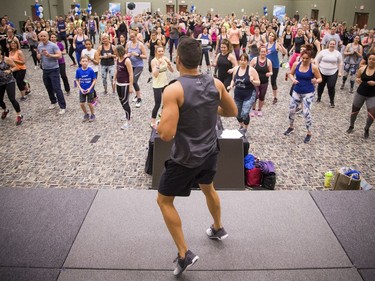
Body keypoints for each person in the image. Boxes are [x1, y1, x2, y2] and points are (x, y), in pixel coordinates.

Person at [156, 36, 238, 277]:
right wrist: (209, 107)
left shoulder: (173, 90)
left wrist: (160, 122)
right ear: (199, 60)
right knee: (208, 187)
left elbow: (166, 135)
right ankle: (218, 228)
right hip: (210, 152)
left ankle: (184, 254)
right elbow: (231, 111)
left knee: (164, 200)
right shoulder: (215, 83)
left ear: (178, 60)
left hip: (185, 159)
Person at [284, 45, 322, 143]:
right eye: (303, 58)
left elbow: (320, 78)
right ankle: (291, 126)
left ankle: (309, 132)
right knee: (291, 109)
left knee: (306, 112)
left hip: (308, 92)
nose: (304, 60)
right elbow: (290, 74)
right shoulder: (296, 64)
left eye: (307, 59)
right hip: (297, 90)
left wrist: (316, 80)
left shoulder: (313, 67)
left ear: (310, 58)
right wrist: (293, 79)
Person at [227, 53, 260, 133]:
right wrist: (231, 86)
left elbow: (258, 82)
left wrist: (252, 81)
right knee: (237, 113)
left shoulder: (251, 70)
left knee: (244, 113)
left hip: (249, 94)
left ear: (247, 61)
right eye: (241, 60)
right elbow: (233, 80)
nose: (242, 62)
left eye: (244, 60)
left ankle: (245, 128)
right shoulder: (236, 69)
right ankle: (241, 125)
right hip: (238, 94)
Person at [37, 31, 67, 115]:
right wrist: (39, 56)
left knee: (57, 88)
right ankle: (53, 101)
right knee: (48, 87)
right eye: (41, 36)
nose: (42, 37)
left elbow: (60, 55)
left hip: (54, 69)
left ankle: (62, 106)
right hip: (45, 69)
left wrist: (49, 55)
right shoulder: (40, 45)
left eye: (44, 36)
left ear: (48, 37)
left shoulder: (53, 45)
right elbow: (38, 55)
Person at [346, 53, 375, 139]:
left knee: (372, 115)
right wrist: (358, 80)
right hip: (361, 93)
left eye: (373, 59)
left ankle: (366, 128)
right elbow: (358, 77)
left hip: (372, 95)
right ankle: (351, 126)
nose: (371, 61)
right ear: (367, 59)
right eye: (370, 59)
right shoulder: (362, 69)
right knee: (354, 112)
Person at [150, 46, 173, 128]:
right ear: (156, 52)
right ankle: (152, 121)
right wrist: (158, 65)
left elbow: (172, 70)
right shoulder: (153, 61)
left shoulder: (165, 58)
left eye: (162, 51)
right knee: (157, 104)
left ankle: (162, 116)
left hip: (165, 83)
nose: (161, 53)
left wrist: (169, 64)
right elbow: (155, 75)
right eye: (159, 51)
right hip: (157, 85)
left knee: (167, 102)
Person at [315, 39, 343, 107]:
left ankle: (332, 101)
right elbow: (317, 60)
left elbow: (340, 62)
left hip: (333, 72)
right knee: (321, 85)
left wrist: (340, 72)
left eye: (333, 44)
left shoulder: (338, 53)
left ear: (335, 45)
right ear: (328, 44)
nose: (332, 45)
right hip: (322, 71)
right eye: (331, 44)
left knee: (331, 86)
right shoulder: (323, 52)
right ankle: (319, 97)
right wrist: (316, 69)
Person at [0, 46, 23, 125]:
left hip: (9, 81)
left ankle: (19, 115)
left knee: (12, 98)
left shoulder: (6, 59)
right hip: (0, 82)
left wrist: (10, 70)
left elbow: (16, 67)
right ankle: (5, 110)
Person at [113, 45, 133, 130]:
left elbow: (131, 74)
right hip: (119, 83)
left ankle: (128, 122)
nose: (115, 53)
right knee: (121, 100)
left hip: (125, 84)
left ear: (119, 51)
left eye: (116, 51)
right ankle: (126, 114)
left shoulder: (127, 60)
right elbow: (117, 70)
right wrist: (114, 80)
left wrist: (130, 86)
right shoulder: (118, 59)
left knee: (125, 102)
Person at [126, 29, 147, 108]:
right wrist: (128, 55)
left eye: (133, 37)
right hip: (131, 65)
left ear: (136, 36)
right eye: (130, 37)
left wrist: (137, 55)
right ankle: (136, 95)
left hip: (139, 65)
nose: (132, 38)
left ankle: (139, 98)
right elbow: (125, 54)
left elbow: (145, 56)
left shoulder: (140, 45)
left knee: (134, 81)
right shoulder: (128, 44)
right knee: (130, 81)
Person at [250, 46, 273, 117]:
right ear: (259, 52)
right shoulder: (254, 60)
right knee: (255, 95)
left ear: (266, 52)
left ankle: (259, 109)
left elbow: (271, 72)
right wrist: (251, 76)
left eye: (264, 52)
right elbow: (249, 69)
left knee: (262, 96)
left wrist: (269, 74)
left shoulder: (268, 61)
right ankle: (253, 109)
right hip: (255, 82)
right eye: (261, 51)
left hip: (264, 82)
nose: (263, 53)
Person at [266, 30, 287, 104]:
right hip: (266, 66)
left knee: (273, 81)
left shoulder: (276, 44)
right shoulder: (266, 44)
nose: (270, 37)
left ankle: (275, 97)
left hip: (274, 65)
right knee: (264, 80)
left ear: (274, 37)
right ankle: (261, 95)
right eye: (270, 35)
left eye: (272, 36)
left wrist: (281, 45)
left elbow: (284, 52)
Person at [75, 56, 96, 122]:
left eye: (86, 61)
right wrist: (80, 88)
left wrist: (90, 88)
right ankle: (86, 114)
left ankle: (93, 114)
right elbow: (77, 80)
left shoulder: (90, 70)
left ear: (88, 62)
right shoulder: (78, 70)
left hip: (90, 90)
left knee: (90, 103)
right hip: (82, 90)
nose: (84, 63)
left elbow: (94, 80)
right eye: (83, 61)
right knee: (81, 103)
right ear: (80, 62)